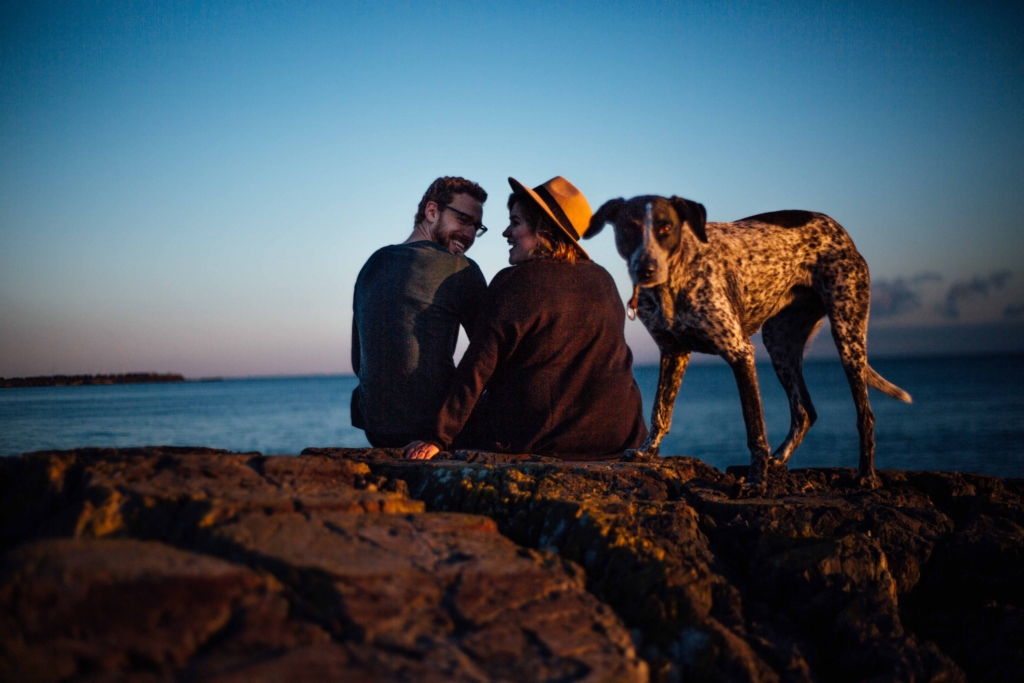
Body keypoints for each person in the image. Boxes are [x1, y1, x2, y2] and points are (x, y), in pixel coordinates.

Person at [404, 176, 647, 460]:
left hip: (543, 441)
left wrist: (438, 437)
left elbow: (477, 368)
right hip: (620, 438)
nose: (506, 232)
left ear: (544, 230)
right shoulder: (603, 278)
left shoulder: (514, 282)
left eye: (516, 222)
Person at [351, 176, 489, 447]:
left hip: (376, 428)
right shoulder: (461, 269)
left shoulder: (373, 263)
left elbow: (359, 361)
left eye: (477, 226)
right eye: (463, 220)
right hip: (433, 428)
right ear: (431, 211)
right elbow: (491, 351)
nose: (470, 235)